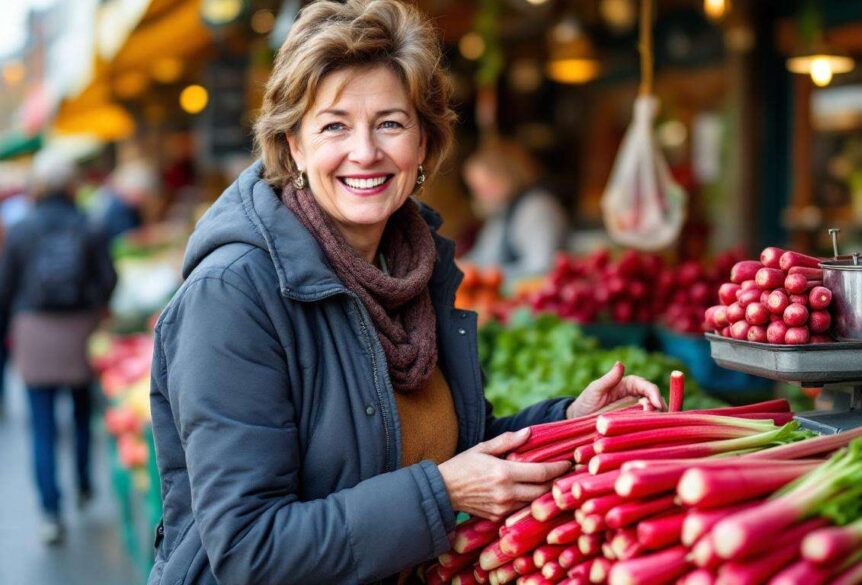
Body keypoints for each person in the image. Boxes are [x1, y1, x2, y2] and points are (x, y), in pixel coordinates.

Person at [147, 2, 663, 584]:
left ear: (423, 144)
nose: (365, 152)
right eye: (334, 125)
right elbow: (248, 549)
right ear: (295, 145)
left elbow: (444, 448)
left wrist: (568, 419)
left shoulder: (412, 271)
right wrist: (441, 494)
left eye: (390, 123)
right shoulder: (235, 296)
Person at [0, 151, 117, 544]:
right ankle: (84, 482)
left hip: (34, 332)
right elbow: (108, 278)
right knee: (82, 413)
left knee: (42, 426)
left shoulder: (21, 229)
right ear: (71, 186)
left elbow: (6, 287)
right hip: (79, 331)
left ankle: (51, 512)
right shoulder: (89, 224)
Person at [462, 139, 569, 283]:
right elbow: (484, 256)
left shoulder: (537, 208)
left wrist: (487, 274)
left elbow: (542, 267)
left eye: (486, 186)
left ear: (507, 175)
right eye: (477, 189)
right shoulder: (502, 211)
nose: (480, 195)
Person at [92, 160, 156, 242]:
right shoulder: (118, 209)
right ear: (131, 189)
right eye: (141, 193)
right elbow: (127, 238)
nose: (143, 199)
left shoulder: (128, 205)